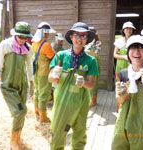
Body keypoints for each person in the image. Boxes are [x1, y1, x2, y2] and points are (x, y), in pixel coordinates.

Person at [48, 22, 99, 150]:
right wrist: (55, 74)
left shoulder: (91, 61)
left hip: (81, 103)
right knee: (57, 135)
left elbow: (91, 85)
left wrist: (84, 83)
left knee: (79, 136)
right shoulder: (61, 56)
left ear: (87, 39)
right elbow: (50, 78)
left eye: (83, 36)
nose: (79, 39)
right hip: (62, 102)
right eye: (77, 35)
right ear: (71, 37)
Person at [0, 21, 34, 150]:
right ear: (15, 34)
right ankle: (13, 143)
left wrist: (31, 85)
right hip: (8, 85)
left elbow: (29, 67)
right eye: (20, 37)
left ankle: (18, 138)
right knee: (20, 112)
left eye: (25, 37)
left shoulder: (28, 48)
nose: (22, 40)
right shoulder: (5, 46)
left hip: (22, 85)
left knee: (22, 112)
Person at [32, 22, 56, 123]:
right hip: (44, 72)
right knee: (44, 94)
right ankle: (43, 117)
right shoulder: (46, 45)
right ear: (45, 33)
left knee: (37, 91)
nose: (48, 35)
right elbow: (51, 56)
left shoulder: (34, 43)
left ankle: (37, 111)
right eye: (47, 33)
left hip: (36, 72)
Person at [114, 21, 136, 111]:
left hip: (132, 67)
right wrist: (124, 57)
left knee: (130, 85)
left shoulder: (135, 40)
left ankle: (129, 107)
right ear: (123, 30)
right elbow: (114, 55)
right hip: (120, 67)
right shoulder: (119, 40)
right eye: (126, 28)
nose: (128, 30)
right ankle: (118, 106)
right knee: (119, 86)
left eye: (130, 28)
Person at [85, 27, 101, 107]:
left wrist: (86, 51)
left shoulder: (97, 42)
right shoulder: (86, 42)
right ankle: (87, 99)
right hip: (86, 64)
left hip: (94, 63)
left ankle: (93, 101)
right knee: (86, 80)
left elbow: (96, 54)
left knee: (94, 82)